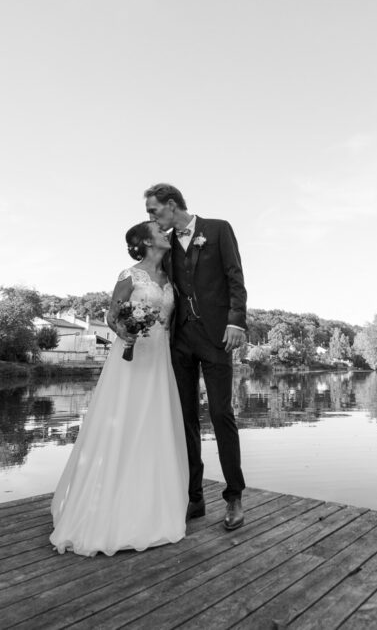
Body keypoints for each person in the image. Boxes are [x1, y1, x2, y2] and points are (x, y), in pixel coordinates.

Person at [49, 221, 187, 556]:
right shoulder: (130, 275)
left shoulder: (170, 279)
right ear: (145, 241)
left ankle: (150, 507)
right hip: (132, 355)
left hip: (159, 359)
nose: (164, 232)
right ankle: (105, 510)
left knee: (153, 425)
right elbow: (112, 316)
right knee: (123, 421)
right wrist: (124, 331)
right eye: (158, 230)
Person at [144, 183, 248, 530]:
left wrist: (237, 322)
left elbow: (236, 279)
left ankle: (234, 498)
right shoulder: (166, 243)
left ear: (172, 205)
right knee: (185, 419)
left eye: (154, 210)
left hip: (218, 335)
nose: (151, 218)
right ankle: (194, 498)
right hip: (180, 339)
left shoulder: (218, 229)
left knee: (221, 414)